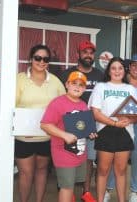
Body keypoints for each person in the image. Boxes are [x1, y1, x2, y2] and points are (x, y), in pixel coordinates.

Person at [15, 44, 66, 202]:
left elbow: (64, 105)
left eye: (45, 59)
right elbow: (11, 106)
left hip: (47, 137)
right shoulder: (19, 79)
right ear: (31, 59)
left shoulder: (55, 81)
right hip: (24, 137)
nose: (41, 61)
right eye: (38, 58)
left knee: (42, 171)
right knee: (25, 173)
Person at [88, 57, 137, 202]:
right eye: (113, 68)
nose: (117, 71)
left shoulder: (130, 89)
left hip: (125, 132)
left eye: (120, 68)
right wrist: (114, 123)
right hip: (105, 131)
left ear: (125, 71)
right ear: (109, 71)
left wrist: (130, 119)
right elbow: (96, 113)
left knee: (121, 171)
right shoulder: (101, 87)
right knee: (103, 171)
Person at [40, 71, 97, 202]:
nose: (77, 87)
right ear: (67, 84)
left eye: (81, 85)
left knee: (71, 186)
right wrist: (64, 135)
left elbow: (83, 128)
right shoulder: (57, 103)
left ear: (84, 88)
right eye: (74, 83)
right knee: (66, 187)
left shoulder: (83, 105)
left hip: (79, 153)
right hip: (63, 152)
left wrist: (90, 133)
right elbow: (45, 125)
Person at [103, 54, 137, 202]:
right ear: (129, 67)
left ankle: (135, 191)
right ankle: (108, 189)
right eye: (134, 65)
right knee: (116, 160)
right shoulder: (121, 82)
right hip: (121, 126)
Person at [59, 40, 103, 202]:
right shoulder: (67, 74)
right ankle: (68, 191)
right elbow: (60, 98)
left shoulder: (100, 75)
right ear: (78, 54)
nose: (88, 55)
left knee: (89, 158)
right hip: (70, 124)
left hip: (91, 124)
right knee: (69, 157)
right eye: (85, 52)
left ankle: (86, 192)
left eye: (91, 53)